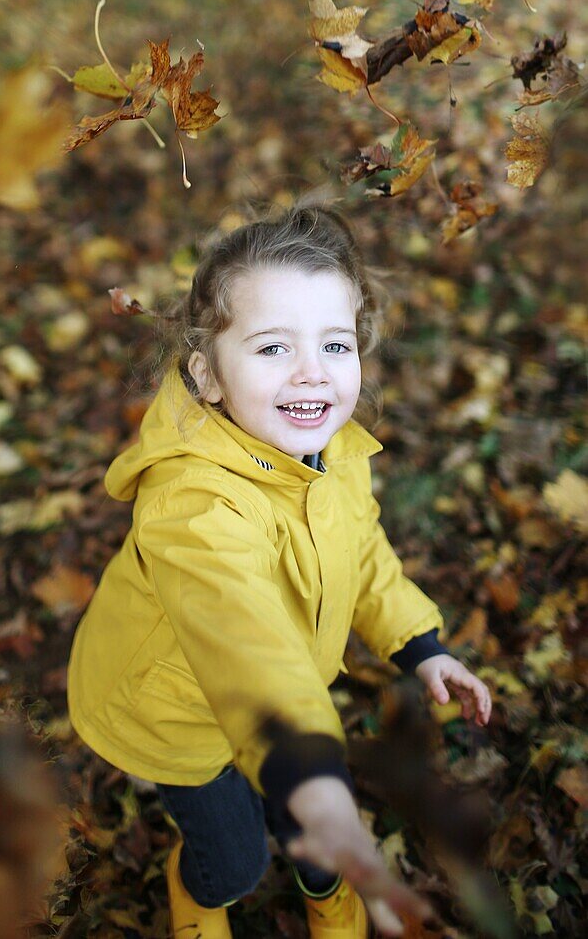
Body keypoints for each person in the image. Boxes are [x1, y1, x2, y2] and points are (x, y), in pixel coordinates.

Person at [67, 202, 492, 938]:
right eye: (270, 349)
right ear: (207, 374)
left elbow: (361, 552)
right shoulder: (193, 508)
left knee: (310, 822)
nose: (311, 374)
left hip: (284, 701)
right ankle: (199, 896)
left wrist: (417, 643)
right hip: (180, 710)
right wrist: (311, 779)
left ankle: (325, 886)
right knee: (234, 860)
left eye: (334, 345)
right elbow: (242, 637)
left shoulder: (330, 453)